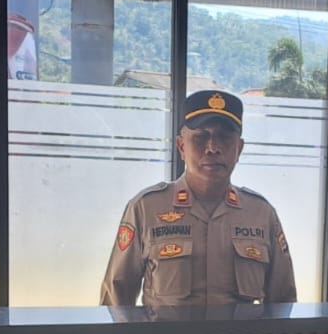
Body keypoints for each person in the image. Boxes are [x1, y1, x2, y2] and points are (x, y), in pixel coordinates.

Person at [100, 90, 297, 306]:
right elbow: (116, 299)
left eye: (224, 137)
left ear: (239, 149)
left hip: (238, 330)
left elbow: (283, 302)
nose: (212, 148)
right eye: (200, 137)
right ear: (181, 147)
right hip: (167, 330)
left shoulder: (260, 214)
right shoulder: (146, 209)